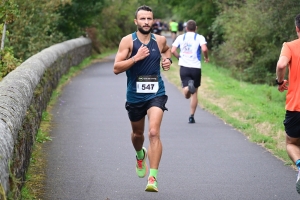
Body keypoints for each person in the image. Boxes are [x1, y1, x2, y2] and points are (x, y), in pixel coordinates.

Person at [113, 5, 172, 192]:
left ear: (153, 21)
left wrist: (167, 60)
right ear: (136, 21)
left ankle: (152, 178)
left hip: (156, 93)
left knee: (154, 133)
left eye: (149, 19)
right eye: (143, 19)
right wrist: (135, 58)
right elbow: (116, 68)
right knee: (138, 135)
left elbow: (168, 50)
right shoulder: (128, 41)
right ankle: (140, 154)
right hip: (135, 95)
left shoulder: (160, 40)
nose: (146, 22)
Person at [276, 13, 300, 194]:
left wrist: (280, 81)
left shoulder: (290, 46)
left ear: (297, 29)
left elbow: (282, 65)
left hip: (296, 105)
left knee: (292, 143)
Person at [171, 20, 209, 123]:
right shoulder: (199, 37)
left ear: (186, 28)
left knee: (186, 93)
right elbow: (204, 49)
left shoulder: (180, 37)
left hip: (184, 67)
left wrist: (179, 57)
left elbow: (173, 50)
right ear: (196, 28)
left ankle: (187, 88)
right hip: (196, 67)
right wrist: (206, 58)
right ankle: (191, 116)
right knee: (195, 93)